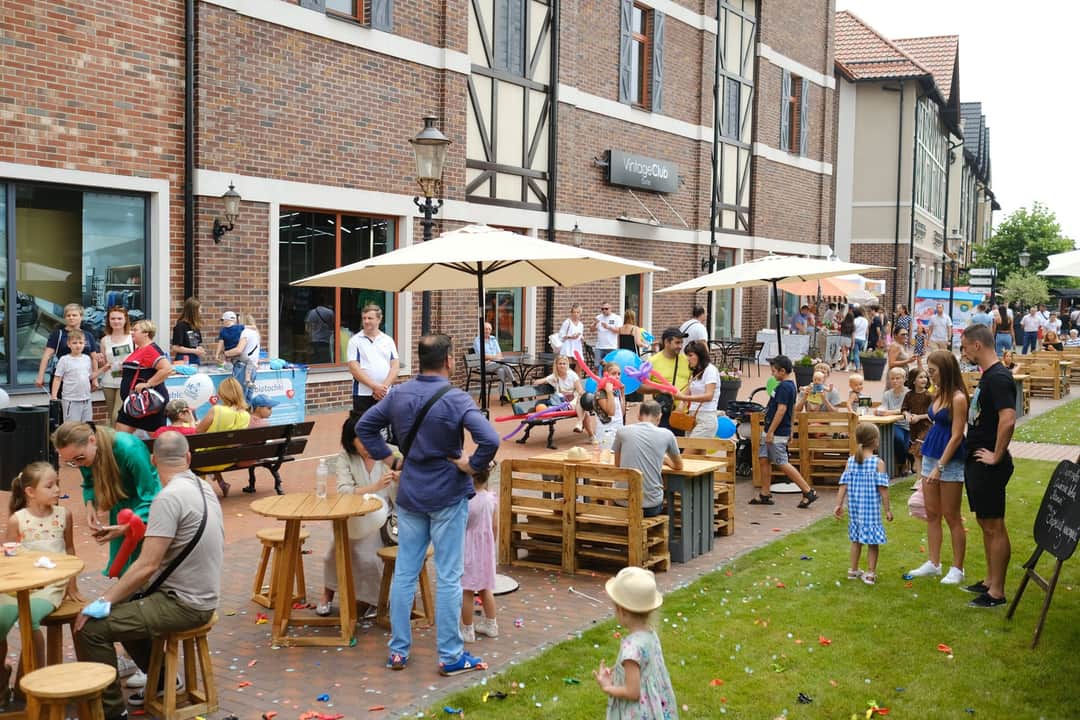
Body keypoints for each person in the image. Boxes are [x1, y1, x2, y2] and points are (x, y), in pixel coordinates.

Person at [356, 334, 499, 675]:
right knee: (449, 576)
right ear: (448, 360)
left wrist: (391, 461)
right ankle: (450, 655)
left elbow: (365, 426)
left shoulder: (399, 394)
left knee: (406, 572)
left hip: (411, 492)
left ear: (420, 360)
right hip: (447, 492)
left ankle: (398, 651)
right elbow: (490, 439)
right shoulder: (457, 398)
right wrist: (472, 466)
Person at [74, 431, 224, 720]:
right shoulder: (202, 486)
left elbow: (147, 565)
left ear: (153, 460)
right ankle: (162, 681)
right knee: (123, 605)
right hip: (201, 594)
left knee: (91, 629)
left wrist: (102, 601)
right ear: (188, 457)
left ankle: (112, 713)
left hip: (185, 603)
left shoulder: (166, 499)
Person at [0, 463, 81, 697]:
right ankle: (2, 681)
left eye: (57, 484)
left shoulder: (63, 515)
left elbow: (69, 549)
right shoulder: (18, 520)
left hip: (51, 584)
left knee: (31, 618)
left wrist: (72, 585)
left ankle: (31, 683)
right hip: (22, 583)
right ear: (30, 492)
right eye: (50, 486)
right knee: (0, 622)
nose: (57, 489)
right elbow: (8, 556)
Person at [53, 421, 160, 577]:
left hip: (144, 509)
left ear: (92, 440)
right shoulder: (84, 456)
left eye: (79, 458)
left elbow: (151, 496)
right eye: (71, 462)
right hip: (120, 507)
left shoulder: (130, 448)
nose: (78, 464)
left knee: (140, 568)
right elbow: (89, 483)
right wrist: (90, 505)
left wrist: (128, 526)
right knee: (121, 566)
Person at [317, 414, 397, 619]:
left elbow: (406, 492)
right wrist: (374, 487)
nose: (368, 446)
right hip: (354, 514)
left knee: (368, 556)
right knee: (333, 553)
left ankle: (376, 600)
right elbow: (344, 491)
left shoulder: (391, 453)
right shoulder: (346, 458)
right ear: (351, 441)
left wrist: (400, 480)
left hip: (383, 518)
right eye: (362, 441)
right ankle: (327, 594)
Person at [960, 323, 1017, 608]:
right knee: (985, 522)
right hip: (976, 459)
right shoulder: (988, 376)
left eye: (964, 346)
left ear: (977, 345)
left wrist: (996, 454)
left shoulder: (999, 377)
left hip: (989, 463)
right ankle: (989, 580)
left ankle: (997, 591)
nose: (964, 352)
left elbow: (1008, 418)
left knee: (994, 524)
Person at [907, 350, 969, 586]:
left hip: (949, 460)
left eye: (933, 371)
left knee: (952, 516)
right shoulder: (939, 392)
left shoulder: (958, 398)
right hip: (931, 454)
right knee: (932, 513)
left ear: (945, 370)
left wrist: (940, 467)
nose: (929, 375)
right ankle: (933, 563)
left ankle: (957, 568)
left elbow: (957, 436)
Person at [593, 567, 678, 719]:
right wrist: (618, 673)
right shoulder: (651, 635)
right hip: (654, 708)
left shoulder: (631, 648)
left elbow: (632, 692)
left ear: (622, 610)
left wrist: (608, 687)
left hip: (638, 713)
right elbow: (643, 668)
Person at [749, 355, 819, 508]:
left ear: (782, 371)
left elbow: (781, 410)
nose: (772, 373)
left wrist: (771, 432)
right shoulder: (790, 386)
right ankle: (765, 493)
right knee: (764, 459)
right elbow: (792, 411)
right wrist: (791, 430)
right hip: (776, 430)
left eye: (774, 371)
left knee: (781, 462)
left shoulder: (784, 387)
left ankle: (808, 491)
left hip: (776, 432)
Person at [834, 423, 893, 585]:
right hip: (871, 513)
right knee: (873, 543)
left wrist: (838, 505)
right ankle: (870, 574)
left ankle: (853, 570)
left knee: (856, 540)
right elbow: (883, 489)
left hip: (855, 511)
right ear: (874, 441)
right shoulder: (878, 463)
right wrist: (887, 510)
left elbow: (843, 485)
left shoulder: (850, 461)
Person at [613, 400, 682, 518]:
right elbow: (678, 466)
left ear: (638, 415)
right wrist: (665, 460)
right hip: (650, 507)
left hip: (622, 503)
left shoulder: (622, 432)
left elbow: (618, 464)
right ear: (659, 416)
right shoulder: (667, 434)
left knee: (613, 490)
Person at [194, 377, 251, 497]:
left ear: (223, 393)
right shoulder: (246, 415)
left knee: (195, 453)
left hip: (204, 462)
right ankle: (219, 483)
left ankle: (199, 490)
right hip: (228, 460)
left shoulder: (217, 410)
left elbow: (198, 431)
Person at [115, 320, 173, 436]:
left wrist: (148, 384)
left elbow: (167, 369)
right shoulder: (139, 349)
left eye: (135, 330)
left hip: (149, 402)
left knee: (157, 439)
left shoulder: (150, 349)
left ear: (146, 333)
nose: (132, 333)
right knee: (119, 437)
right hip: (133, 402)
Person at [460, 472, 498, 643]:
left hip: (468, 547)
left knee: (467, 589)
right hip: (486, 548)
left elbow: (462, 524)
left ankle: (468, 630)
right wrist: (491, 544)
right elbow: (494, 526)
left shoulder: (466, 500)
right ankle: (491, 625)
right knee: (485, 587)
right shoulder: (491, 498)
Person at [34, 303, 101, 393]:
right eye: (68, 315)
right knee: (60, 401)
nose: (71, 318)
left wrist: (95, 379)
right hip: (61, 379)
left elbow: (94, 358)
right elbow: (46, 356)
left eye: (74, 315)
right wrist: (40, 376)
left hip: (83, 379)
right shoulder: (58, 334)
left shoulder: (88, 335)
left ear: (81, 317)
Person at [347, 304, 400, 415]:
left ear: (379, 319)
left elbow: (395, 366)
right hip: (363, 394)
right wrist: (375, 387)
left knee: (386, 424)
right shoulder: (355, 341)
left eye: (370, 318)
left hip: (385, 393)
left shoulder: (388, 340)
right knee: (363, 423)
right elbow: (354, 368)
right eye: (364, 318)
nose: (366, 321)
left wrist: (383, 388)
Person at [647, 328, 692, 435]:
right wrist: (661, 389)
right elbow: (640, 387)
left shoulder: (687, 361)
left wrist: (684, 402)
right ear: (667, 342)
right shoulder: (652, 362)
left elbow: (692, 383)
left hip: (681, 414)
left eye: (681, 343)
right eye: (677, 343)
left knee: (680, 445)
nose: (680, 346)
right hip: (661, 413)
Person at [676, 340, 721, 438]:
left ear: (700, 356)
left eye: (691, 355)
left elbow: (709, 396)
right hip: (692, 416)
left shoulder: (710, 370)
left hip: (706, 417)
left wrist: (683, 398)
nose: (688, 359)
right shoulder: (696, 372)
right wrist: (680, 403)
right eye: (687, 355)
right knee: (691, 447)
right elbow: (686, 393)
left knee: (690, 447)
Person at [535, 355, 588, 434]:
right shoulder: (554, 377)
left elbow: (580, 390)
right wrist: (545, 381)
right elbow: (537, 382)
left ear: (567, 365)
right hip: (561, 402)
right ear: (556, 365)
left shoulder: (572, 375)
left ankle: (579, 423)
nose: (562, 366)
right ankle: (579, 424)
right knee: (582, 408)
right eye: (560, 364)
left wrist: (583, 396)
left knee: (580, 400)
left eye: (564, 364)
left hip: (574, 400)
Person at [52, 328, 96, 422]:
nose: (78, 345)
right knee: (72, 427)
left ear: (84, 344)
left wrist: (104, 368)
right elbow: (57, 378)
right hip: (71, 400)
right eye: (74, 343)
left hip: (86, 399)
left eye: (80, 343)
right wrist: (54, 396)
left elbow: (89, 377)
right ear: (69, 344)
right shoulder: (64, 360)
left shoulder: (87, 359)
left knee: (87, 426)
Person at [99, 306, 134, 425]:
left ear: (125, 320)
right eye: (113, 318)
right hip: (108, 381)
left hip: (126, 380)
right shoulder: (105, 340)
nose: (116, 321)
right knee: (111, 415)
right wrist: (100, 361)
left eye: (119, 318)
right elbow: (104, 364)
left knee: (117, 415)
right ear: (108, 320)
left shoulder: (132, 337)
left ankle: (117, 436)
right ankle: (114, 436)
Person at [877, 367, 911, 473]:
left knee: (907, 445)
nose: (894, 381)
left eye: (898, 378)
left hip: (909, 425)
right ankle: (902, 464)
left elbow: (908, 409)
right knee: (899, 439)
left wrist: (890, 412)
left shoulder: (909, 393)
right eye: (892, 378)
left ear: (904, 379)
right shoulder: (887, 394)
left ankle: (907, 462)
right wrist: (880, 410)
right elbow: (883, 408)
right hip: (893, 424)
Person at [902, 368, 932, 477]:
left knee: (919, 452)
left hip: (927, 427)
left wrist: (919, 417)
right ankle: (920, 479)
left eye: (925, 377)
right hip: (914, 428)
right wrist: (907, 415)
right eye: (920, 377)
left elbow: (933, 414)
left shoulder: (929, 396)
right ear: (913, 381)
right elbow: (904, 409)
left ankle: (922, 478)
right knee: (917, 454)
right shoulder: (909, 395)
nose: (924, 379)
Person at [472, 322, 514, 392]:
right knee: (504, 364)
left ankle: (502, 395)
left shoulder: (493, 339)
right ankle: (513, 381)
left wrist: (492, 358)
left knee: (501, 371)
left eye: (489, 329)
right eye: (485, 329)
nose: (487, 331)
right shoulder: (478, 340)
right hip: (484, 365)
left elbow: (500, 354)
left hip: (495, 363)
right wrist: (495, 357)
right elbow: (482, 356)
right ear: (482, 330)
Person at [593, 362, 625, 445]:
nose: (617, 376)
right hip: (606, 432)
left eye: (619, 374)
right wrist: (609, 392)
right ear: (605, 375)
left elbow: (622, 413)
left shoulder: (616, 392)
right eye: (614, 374)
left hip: (618, 429)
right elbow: (611, 412)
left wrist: (622, 393)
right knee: (607, 452)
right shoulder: (600, 393)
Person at [170, 297, 205, 365]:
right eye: (199, 309)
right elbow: (175, 347)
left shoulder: (195, 326)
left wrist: (200, 349)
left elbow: (195, 345)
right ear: (193, 311)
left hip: (195, 359)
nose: (201, 312)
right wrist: (194, 351)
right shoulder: (181, 326)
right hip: (183, 360)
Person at [305, 297, 335, 364]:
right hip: (326, 340)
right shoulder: (330, 312)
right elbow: (333, 325)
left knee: (315, 360)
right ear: (325, 302)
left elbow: (307, 328)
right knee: (325, 361)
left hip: (314, 340)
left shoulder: (312, 312)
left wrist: (308, 341)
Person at [595, 302, 623, 368]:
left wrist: (608, 327)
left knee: (611, 367)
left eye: (606, 308)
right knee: (597, 366)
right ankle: (598, 375)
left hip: (611, 347)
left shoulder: (616, 318)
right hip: (599, 347)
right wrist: (594, 323)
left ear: (610, 308)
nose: (604, 310)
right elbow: (591, 329)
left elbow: (619, 330)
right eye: (602, 309)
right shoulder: (598, 317)